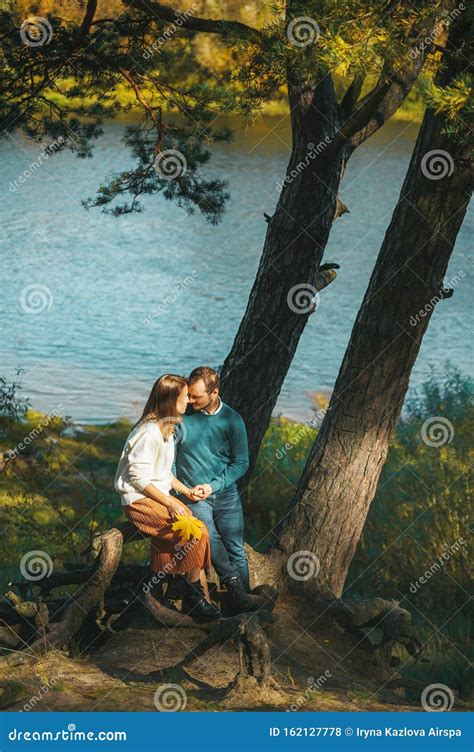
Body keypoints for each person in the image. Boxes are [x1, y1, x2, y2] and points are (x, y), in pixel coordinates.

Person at [114, 373, 219, 622]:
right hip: (138, 501)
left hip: (156, 496)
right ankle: (192, 595)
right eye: (185, 397)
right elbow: (138, 478)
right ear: (171, 400)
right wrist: (171, 502)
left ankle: (159, 593)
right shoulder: (148, 431)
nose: (190, 401)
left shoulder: (166, 429)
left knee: (175, 537)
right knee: (196, 531)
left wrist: (185, 492)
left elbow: (163, 475)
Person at [174, 366, 254, 615]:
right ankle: (234, 592)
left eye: (196, 396)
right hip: (192, 496)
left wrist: (213, 486)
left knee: (236, 549)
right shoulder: (181, 417)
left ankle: (242, 610)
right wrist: (185, 490)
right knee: (210, 538)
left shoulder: (232, 420)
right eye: (188, 394)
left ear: (215, 392)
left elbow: (241, 463)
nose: (190, 400)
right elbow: (167, 460)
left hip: (225, 494)